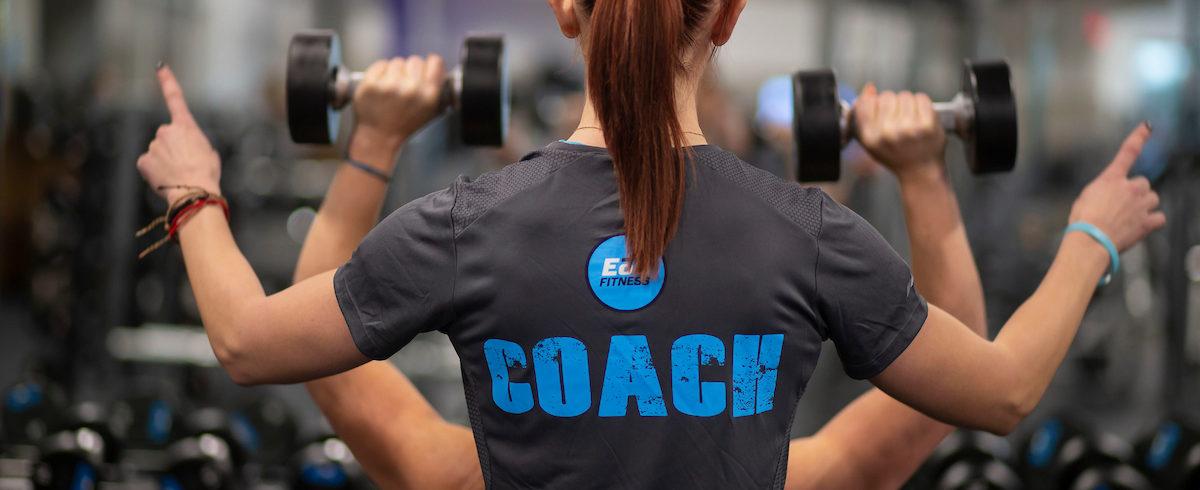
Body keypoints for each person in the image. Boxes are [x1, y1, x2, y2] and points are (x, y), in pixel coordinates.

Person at [135, 0, 1164, 488]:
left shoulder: (466, 228)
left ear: (565, 16)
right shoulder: (805, 235)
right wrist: (1085, 234)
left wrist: (203, 188)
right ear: (726, 18)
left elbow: (261, 345)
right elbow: (981, 390)